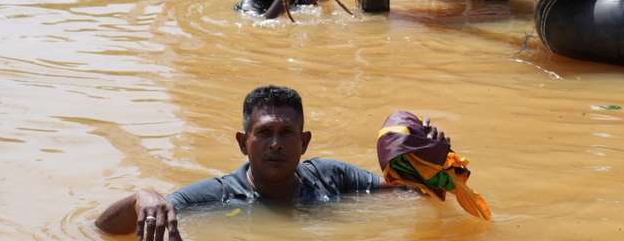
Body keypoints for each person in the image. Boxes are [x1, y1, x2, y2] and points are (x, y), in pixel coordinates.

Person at [95, 86, 436, 240]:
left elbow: (409, 194)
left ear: (304, 143)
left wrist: (429, 164)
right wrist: (143, 196)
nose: (275, 143)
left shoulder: (334, 177)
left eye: (287, 132)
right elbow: (103, 230)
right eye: (264, 133)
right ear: (244, 143)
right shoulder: (215, 198)